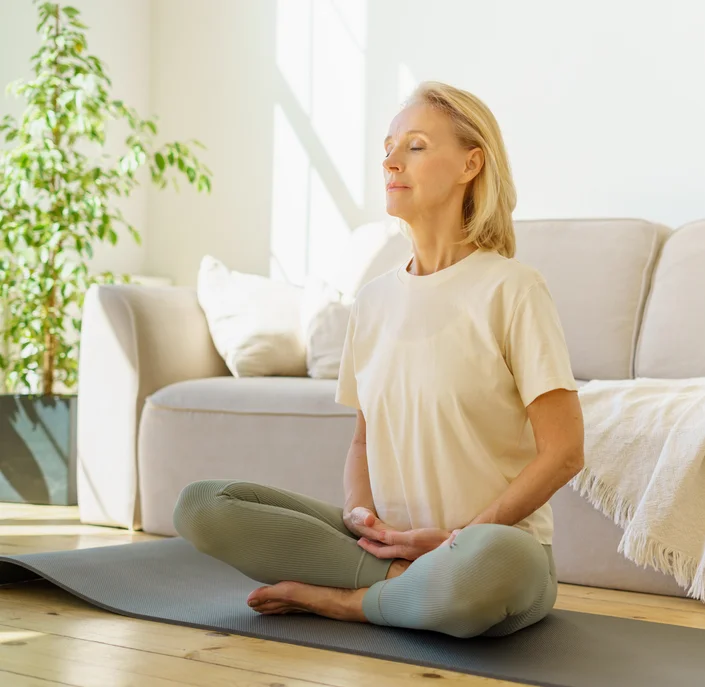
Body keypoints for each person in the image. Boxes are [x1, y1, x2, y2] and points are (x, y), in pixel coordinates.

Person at [172, 81, 585, 639]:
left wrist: (455, 540)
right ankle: (398, 583)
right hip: (385, 544)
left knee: (492, 565)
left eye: (414, 145)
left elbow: (563, 453)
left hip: (491, 551)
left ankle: (350, 602)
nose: (390, 160)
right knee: (203, 506)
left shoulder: (513, 289)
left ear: (471, 163)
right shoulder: (371, 300)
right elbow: (365, 439)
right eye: (388, 147)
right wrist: (361, 518)